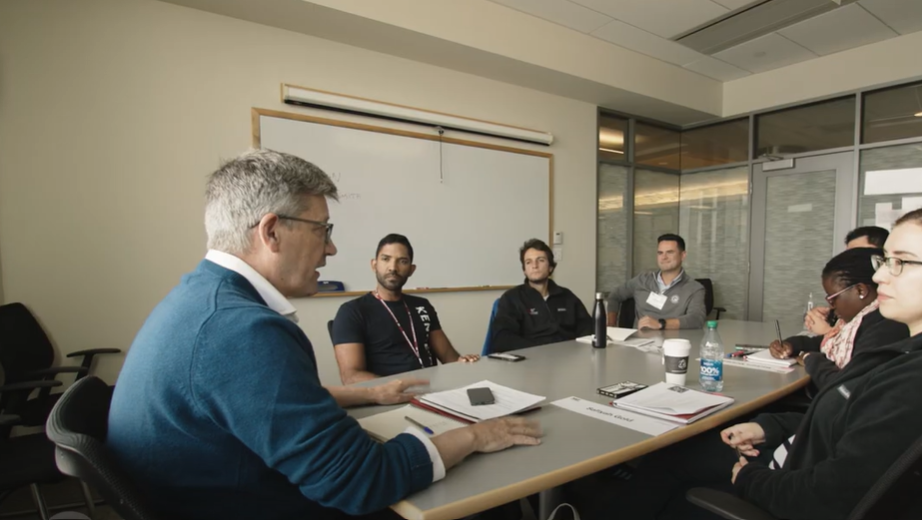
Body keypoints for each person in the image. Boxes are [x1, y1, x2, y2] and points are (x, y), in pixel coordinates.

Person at [107, 150, 542, 520]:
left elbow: (260, 402)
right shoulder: (244, 331)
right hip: (256, 505)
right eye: (323, 230)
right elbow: (361, 481)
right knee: (489, 501)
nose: (331, 249)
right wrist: (476, 435)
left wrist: (368, 395)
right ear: (271, 231)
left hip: (207, 493)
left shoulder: (201, 300)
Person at [598, 202, 922, 520]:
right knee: (677, 460)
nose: (878, 277)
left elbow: (830, 496)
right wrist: (772, 424)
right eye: (884, 261)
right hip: (798, 452)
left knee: (666, 469)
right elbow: (858, 421)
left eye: (903, 263)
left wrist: (747, 477)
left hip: (792, 486)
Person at [331, 234, 480, 384]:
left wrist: (463, 362)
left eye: (402, 261)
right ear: (374, 265)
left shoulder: (422, 306)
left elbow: (449, 357)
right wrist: (401, 386)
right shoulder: (352, 312)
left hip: (432, 391)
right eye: (385, 259)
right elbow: (351, 377)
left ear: (411, 269)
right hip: (387, 397)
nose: (393, 268)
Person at [768, 247, 908, 390]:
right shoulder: (858, 321)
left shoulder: (884, 329)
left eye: (833, 298)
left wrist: (810, 359)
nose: (832, 306)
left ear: (860, 290)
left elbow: (845, 388)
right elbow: (824, 342)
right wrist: (791, 345)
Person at [490, 238, 593, 352]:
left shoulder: (567, 296)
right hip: (530, 361)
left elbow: (588, 329)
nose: (534, 265)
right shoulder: (512, 298)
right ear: (524, 270)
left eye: (541, 260)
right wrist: (540, 350)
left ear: (550, 267)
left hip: (567, 359)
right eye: (528, 262)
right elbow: (502, 339)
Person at [605, 233, 706, 330]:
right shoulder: (642, 280)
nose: (664, 257)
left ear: (683, 255)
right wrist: (611, 326)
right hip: (639, 343)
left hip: (673, 344)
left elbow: (696, 319)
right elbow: (614, 296)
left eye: (670, 252)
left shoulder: (694, 288)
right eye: (660, 253)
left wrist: (661, 324)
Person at [807, 226, 893, 333]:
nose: (851, 260)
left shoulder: (891, 308)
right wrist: (821, 318)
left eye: (859, 253)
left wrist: (828, 333)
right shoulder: (852, 300)